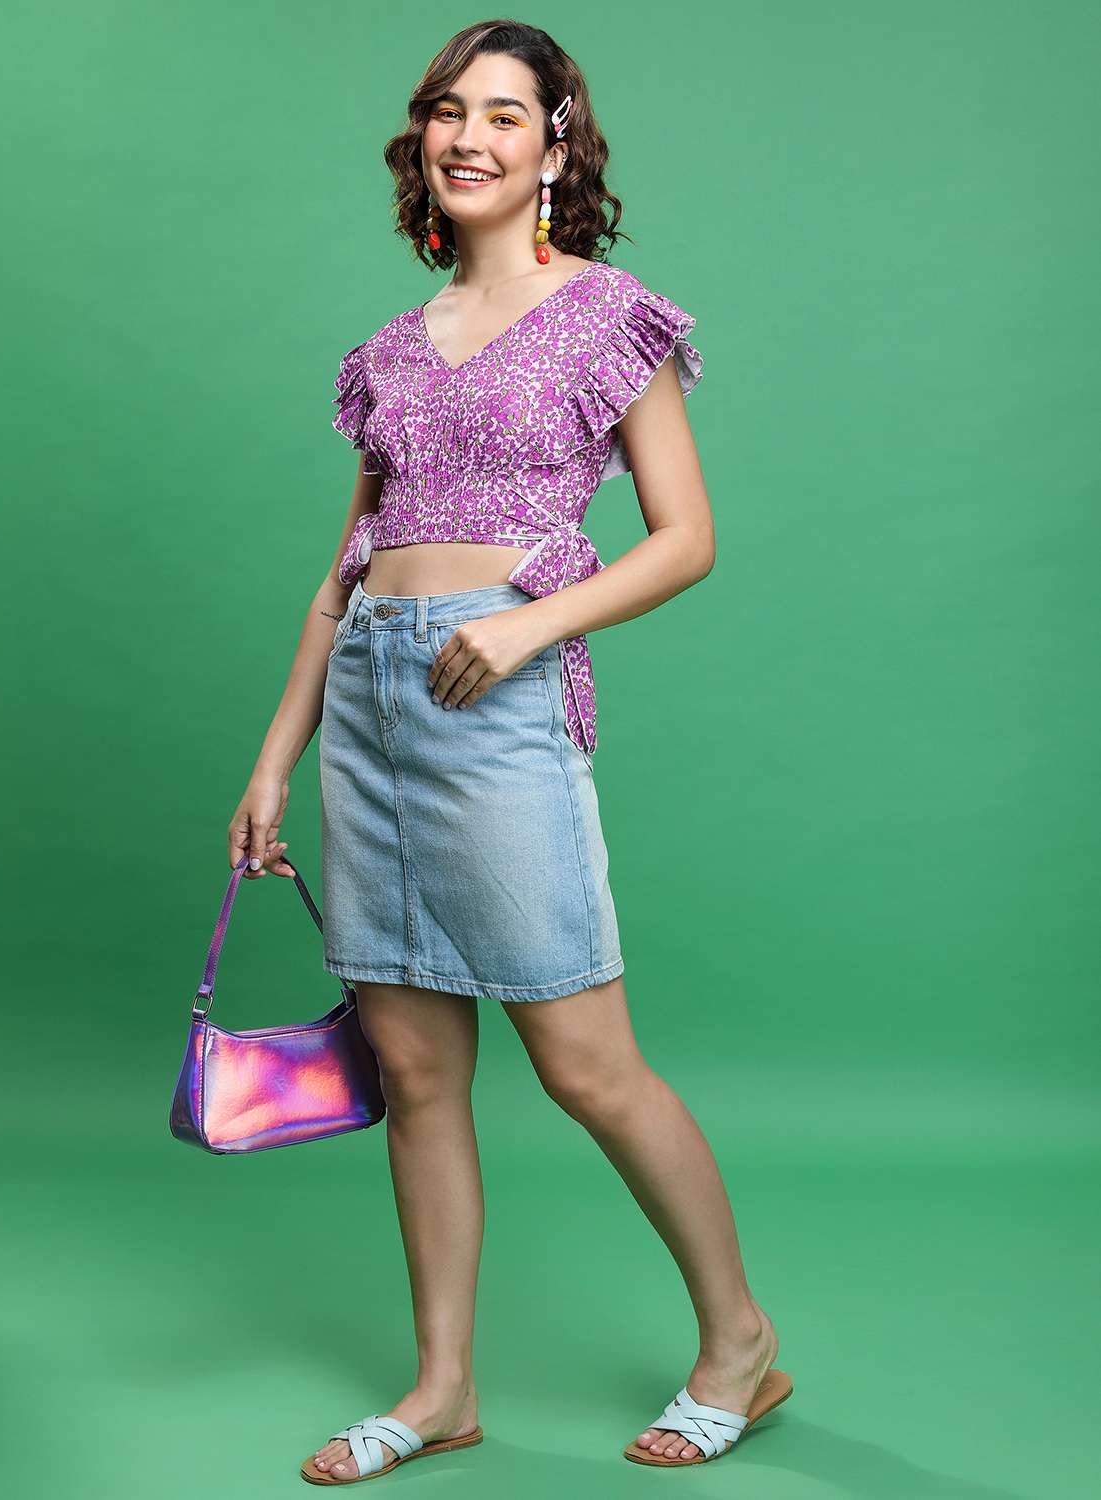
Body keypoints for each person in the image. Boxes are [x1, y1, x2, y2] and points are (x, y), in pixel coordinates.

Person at [227, 19, 793, 1487]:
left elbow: (684, 538)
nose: (467, 136)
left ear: (555, 145)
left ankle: (738, 1342)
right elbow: (342, 572)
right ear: (421, 142)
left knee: (587, 1068)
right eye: (446, 112)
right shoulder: (384, 354)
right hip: (369, 701)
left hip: (497, 697)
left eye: (501, 114)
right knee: (415, 1073)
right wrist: (276, 755)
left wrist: (533, 625)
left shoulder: (608, 315)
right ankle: (441, 1389)